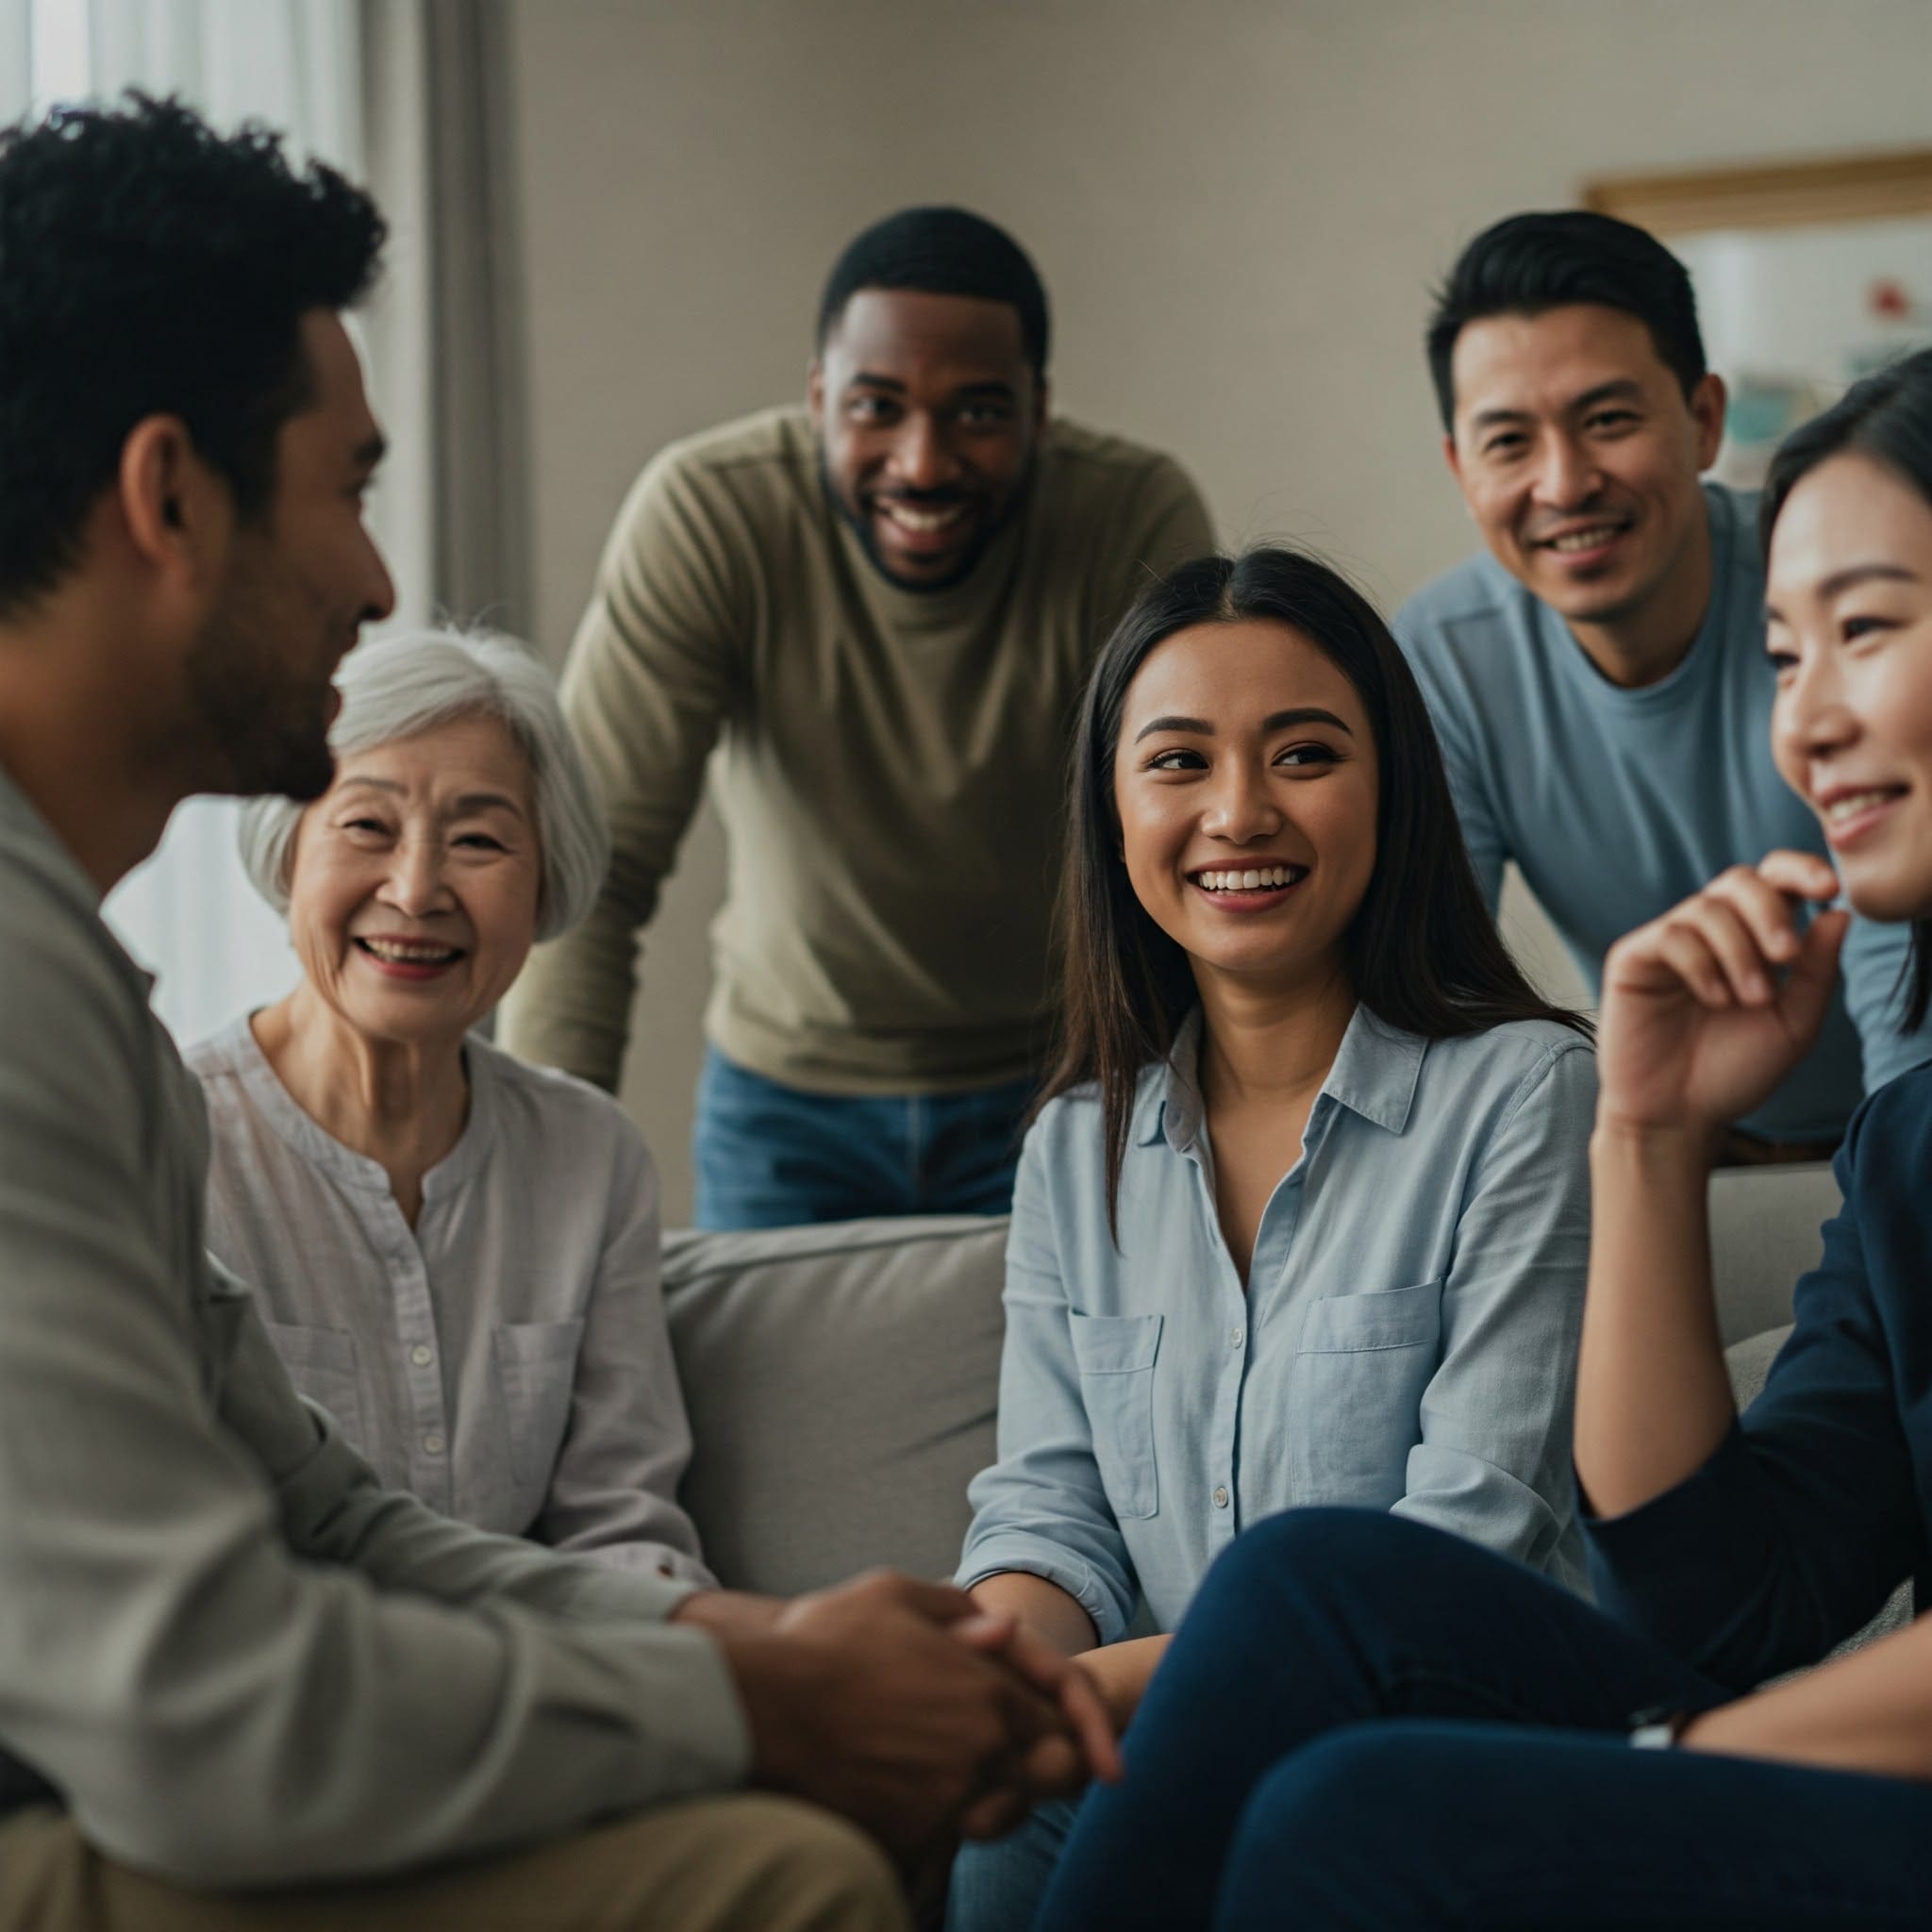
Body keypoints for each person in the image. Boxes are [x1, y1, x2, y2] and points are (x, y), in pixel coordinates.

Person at [0, 95, 1116, 1932]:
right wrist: (746, 1698)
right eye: (347, 488)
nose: (376, 581)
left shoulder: (85, 1007)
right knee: (778, 1882)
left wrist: (754, 1635)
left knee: (781, 1859)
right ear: (168, 498)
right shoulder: (51, 1021)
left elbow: (331, 1517)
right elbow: (205, 1704)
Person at [1032, 349, 1932, 1931]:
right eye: (1781, 657)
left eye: (1862, 629)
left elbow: (1656, 1652)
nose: (1805, 724)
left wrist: (1680, 1761)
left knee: (1352, 1810)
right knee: (1300, 1589)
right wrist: (1651, 1133)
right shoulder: (1910, 1134)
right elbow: (1723, 1597)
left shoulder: (1498, 1088)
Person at [946, 547, 1599, 1930]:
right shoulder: (1075, 1150)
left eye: (1303, 754)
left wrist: (1076, 1702)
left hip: (1440, 1747)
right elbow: (1052, 1511)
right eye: (1178, 763)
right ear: (1114, 814)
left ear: (1394, 790)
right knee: (1002, 1827)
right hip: (1149, 1740)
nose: (1238, 813)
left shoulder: (1528, 1093)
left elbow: (1466, 1552)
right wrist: (995, 1677)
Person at [497, 206, 1213, 1229]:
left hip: (1066, 1083)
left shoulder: (1130, 517)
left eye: (976, 412)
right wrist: (538, 1195)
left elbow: (1189, 854)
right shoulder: (712, 515)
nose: (920, 463)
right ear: (817, 398)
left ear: (1038, 412)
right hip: (785, 1107)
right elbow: (589, 873)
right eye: (876, 406)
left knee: (1082, 1394)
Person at [1394, 209, 1930, 1160]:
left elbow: (1899, 939)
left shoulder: (1812, 580)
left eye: (1605, 420)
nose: (1562, 484)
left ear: (1702, 419)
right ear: (1458, 468)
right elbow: (1437, 991)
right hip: (1691, 1137)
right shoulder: (1441, 660)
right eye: (1507, 442)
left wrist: (1890, 1180)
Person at [186, 627, 711, 1579]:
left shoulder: (591, 1156)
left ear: (545, 880)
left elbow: (624, 1527)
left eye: (477, 838)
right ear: (287, 851)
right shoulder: (168, 1138)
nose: (417, 888)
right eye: (365, 826)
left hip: (540, 1696)